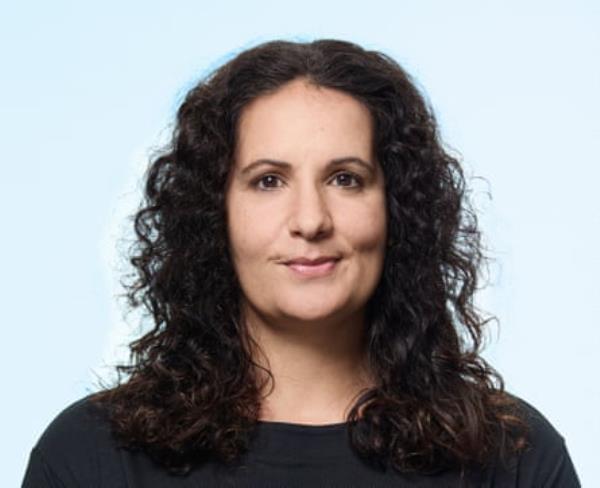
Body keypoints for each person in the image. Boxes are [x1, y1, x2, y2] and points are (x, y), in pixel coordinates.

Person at [22, 39, 580, 487]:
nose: (310, 219)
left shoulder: (512, 457)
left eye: (346, 179)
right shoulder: (91, 457)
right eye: (268, 181)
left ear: (398, 211)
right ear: (214, 213)